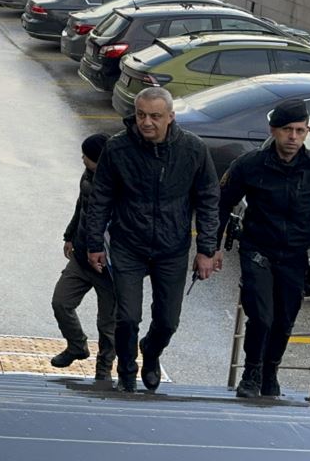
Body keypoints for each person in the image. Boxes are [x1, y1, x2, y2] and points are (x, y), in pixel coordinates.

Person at [83, 87, 221, 393]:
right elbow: (100, 198)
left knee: (168, 321)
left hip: (172, 249)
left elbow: (209, 199)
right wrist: (94, 244)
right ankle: (127, 372)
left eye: (155, 116)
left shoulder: (193, 149)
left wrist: (206, 250)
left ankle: (152, 352)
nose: (147, 122)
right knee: (128, 317)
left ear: (170, 117)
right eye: (141, 114)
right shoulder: (118, 149)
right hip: (128, 244)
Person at [220, 100, 310, 399]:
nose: (293, 137)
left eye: (299, 131)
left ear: (307, 132)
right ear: (273, 131)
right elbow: (222, 204)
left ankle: (270, 371)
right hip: (257, 250)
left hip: (295, 255)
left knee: (284, 319)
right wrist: (209, 249)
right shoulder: (250, 165)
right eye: (287, 130)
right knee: (261, 316)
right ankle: (251, 373)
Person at [50, 133, 116, 381]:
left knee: (108, 324)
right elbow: (81, 207)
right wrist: (69, 235)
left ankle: (104, 369)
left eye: (87, 157)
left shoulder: (120, 185)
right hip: (81, 256)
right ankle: (77, 345)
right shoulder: (87, 177)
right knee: (61, 302)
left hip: (108, 266)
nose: (82, 159)